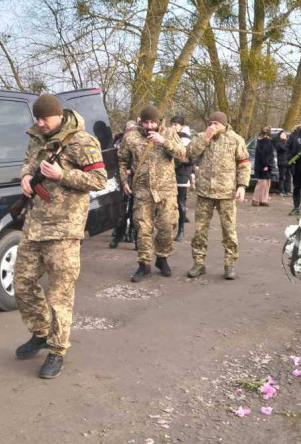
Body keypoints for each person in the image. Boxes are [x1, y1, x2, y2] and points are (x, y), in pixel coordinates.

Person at [12, 95, 106, 379]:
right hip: (35, 224)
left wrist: (62, 174)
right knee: (22, 284)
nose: (40, 124)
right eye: (37, 119)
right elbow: (29, 164)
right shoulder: (37, 137)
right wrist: (25, 178)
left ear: (59, 116)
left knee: (60, 294)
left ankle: (57, 350)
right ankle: (40, 332)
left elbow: (99, 180)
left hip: (64, 229)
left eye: (45, 119)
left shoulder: (83, 142)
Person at [118, 106, 187, 282]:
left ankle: (162, 259)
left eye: (153, 122)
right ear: (140, 121)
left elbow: (183, 154)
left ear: (159, 121)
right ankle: (144, 265)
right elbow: (122, 160)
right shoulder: (131, 136)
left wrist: (163, 141)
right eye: (146, 122)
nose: (149, 126)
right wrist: (124, 181)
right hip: (142, 190)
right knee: (142, 229)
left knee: (166, 226)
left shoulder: (169, 133)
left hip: (166, 190)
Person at [186, 111, 251, 280]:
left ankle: (230, 265)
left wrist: (242, 186)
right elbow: (190, 154)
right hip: (204, 192)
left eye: (216, 123)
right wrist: (205, 138)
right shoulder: (201, 136)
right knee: (200, 231)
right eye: (210, 123)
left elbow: (244, 163)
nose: (213, 126)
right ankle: (198, 263)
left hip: (226, 193)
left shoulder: (235, 139)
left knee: (229, 231)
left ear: (224, 124)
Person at [109, 120, 139, 248]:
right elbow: (119, 158)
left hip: (137, 179)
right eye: (126, 128)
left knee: (136, 212)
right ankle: (118, 235)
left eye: (131, 128)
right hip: (121, 177)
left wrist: (132, 170)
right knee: (121, 210)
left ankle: (136, 238)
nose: (128, 130)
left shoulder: (140, 141)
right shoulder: (119, 140)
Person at [170, 116, 193, 242]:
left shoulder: (186, 139)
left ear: (182, 126)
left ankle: (181, 230)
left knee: (180, 202)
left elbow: (187, 158)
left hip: (182, 173)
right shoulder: (168, 137)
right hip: (169, 174)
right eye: (172, 124)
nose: (173, 127)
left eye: (176, 124)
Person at [252, 126, 278, 206]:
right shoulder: (265, 141)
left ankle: (263, 199)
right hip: (265, 165)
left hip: (264, 164)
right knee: (263, 182)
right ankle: (256, 199)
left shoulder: (262, 141)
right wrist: (266, 164)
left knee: (266, 182)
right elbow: (265, 154)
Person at [275, 131, 292, 197]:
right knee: (282, 177)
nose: (283, 135)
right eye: (282, 134)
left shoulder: (288, 142)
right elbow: (284, 148)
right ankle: (281, 190)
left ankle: (288, 190)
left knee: (288, 177)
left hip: (288, 162)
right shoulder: (279, 143)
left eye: (284, 134)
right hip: (282, 162)